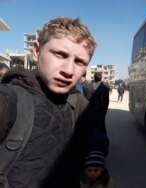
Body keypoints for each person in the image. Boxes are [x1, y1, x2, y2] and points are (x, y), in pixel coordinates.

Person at [0, 17, 100, 188]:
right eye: (60, 54)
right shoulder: (9, 100)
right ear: (37, 51)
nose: (68, 70)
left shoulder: (75, 105)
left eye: (79, 62)